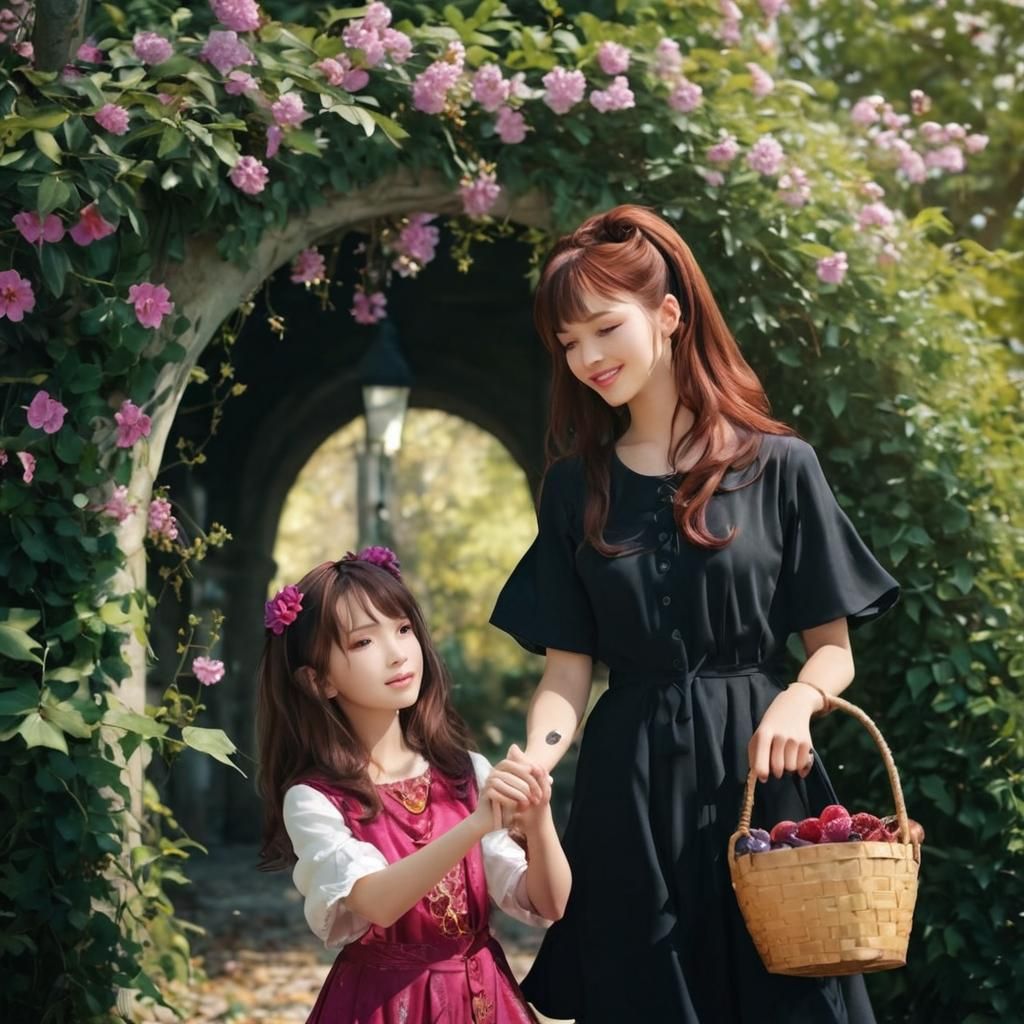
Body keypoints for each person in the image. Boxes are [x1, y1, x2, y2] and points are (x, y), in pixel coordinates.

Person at [489, 204, 901, 1023]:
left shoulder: (782, 467)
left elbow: (832, 648)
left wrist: (797, 699)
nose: (587, 358)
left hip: (762, 775)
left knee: (789, 995)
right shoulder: (576, 488)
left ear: (669, 315)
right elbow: (568, 670)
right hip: (627, 788)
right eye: (567, 344)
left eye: (603, 329)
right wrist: (534, 759)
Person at [256, 546, 571, 1024]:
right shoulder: (315, 799)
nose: (397, 652)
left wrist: (539, 815)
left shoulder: (465, 771)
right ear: (318, 681)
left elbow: (550, 903)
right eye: (364, 642)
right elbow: (376, 902)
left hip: (483, 998)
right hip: (382, 1007)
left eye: (403, 629)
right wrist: (476, 825)